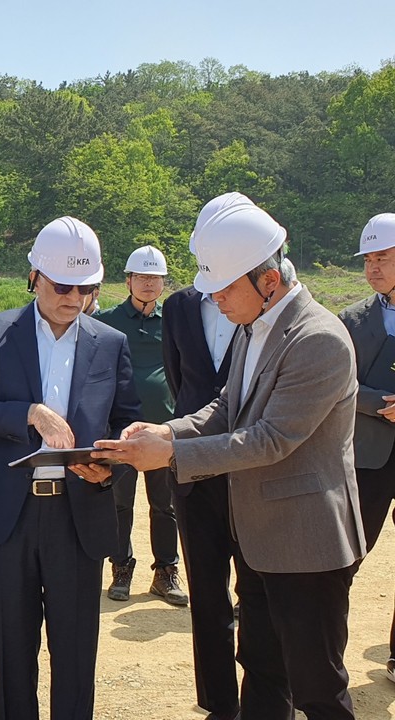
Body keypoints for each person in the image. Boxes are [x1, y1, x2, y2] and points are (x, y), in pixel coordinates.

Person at [94, 202, 366, 720]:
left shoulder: (318, 340)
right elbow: (226, 410)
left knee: (317, 688)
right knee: (262, 670)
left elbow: (270, 440)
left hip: (307, 547)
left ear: (268, 279)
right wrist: (166, 429)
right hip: (261, 541)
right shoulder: (254, 326)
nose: (215, 302)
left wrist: (171, 452)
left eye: (223, 290)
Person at [0, 217, 141, 719]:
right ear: (35, 275)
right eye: (63, 285)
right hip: (11, 517)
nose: (74, 296)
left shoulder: (110, 342)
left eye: (86, 287)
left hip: (79, 516)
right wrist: (28, 414)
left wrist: (111, 470)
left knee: (76, 649)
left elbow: (127, 422)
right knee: (13, 648)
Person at [160, 193, 247, 720]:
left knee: (257, 594)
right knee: (208, 595)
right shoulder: (179, 306)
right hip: (193, 472)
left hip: (253, 468)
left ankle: (266, 695)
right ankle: (219, 703)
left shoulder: (262, 307)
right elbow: (181, 383)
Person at [96, 245, 187, 606]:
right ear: (129, 280)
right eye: (142, 277)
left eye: (155, 277)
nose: (149, 283)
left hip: (163, 431)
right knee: (120, 503)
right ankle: (121, 567)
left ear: (164, 282)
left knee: (165, 505)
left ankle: (165, 572)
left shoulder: (174, 321)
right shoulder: (107, 321)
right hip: (119, 429)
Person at [338, 212, 395, 684]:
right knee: (346, 557)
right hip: (369, 455)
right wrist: (378, 403)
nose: (373, 268)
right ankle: (324, 659)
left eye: (384, 259)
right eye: (369, 260)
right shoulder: (353, 319)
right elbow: (337, 384)